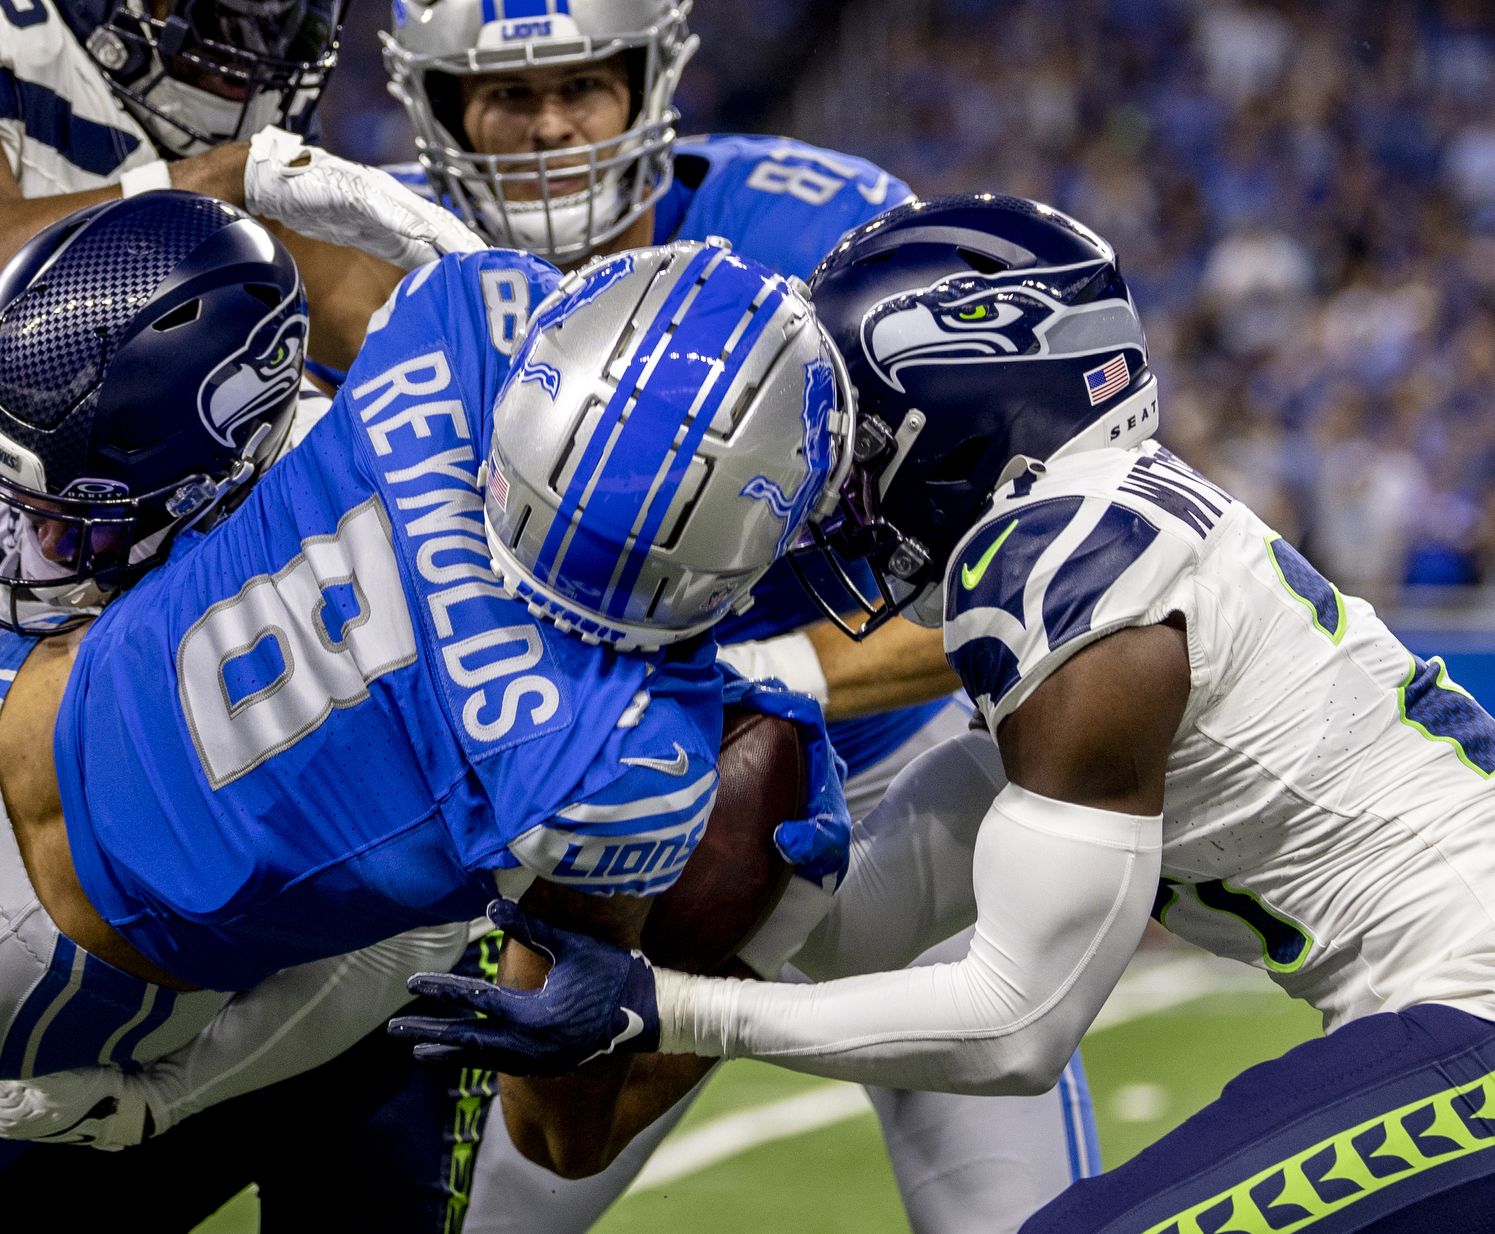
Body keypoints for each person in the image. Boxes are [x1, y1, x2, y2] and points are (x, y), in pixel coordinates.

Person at [0, 193, 857, 1231]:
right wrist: (732, 964)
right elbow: (558, 1133)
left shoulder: (464, 315)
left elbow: (384, 260)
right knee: (411, 944)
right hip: (41, 986)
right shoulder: (622, 763)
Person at [403, 192, 1495, 1231]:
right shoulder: (1097, 550)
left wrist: (662, 1006)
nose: (834, 492)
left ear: (963, 403)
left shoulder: (1065, 562)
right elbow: (859, 933)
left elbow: (1013, 1026)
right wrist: (648, 882)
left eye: (859, 447)